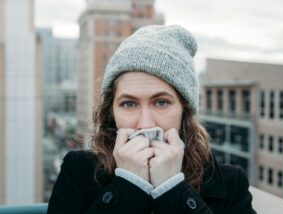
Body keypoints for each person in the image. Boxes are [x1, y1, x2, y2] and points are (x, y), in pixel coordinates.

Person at [47, 25, 256, 214]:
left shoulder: (230, 184)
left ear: (185, 109)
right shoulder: (78, 171)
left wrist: (173, 190)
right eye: (129, 104)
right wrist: (128, 186)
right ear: (111, 111)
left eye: (161, 102)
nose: (145, 124)